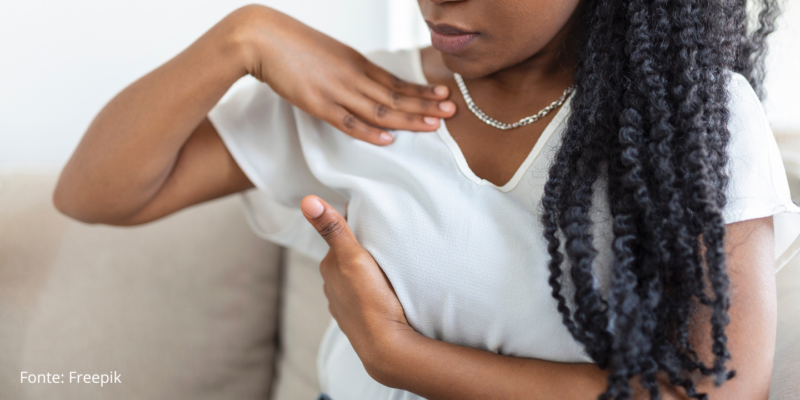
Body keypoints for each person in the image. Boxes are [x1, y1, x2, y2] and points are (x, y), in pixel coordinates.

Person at [53, 0, 800, 399]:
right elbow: (96, 192)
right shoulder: (360, 95)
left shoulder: (690, 120)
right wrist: (241, 36)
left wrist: (399, 355)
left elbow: (718, 397)